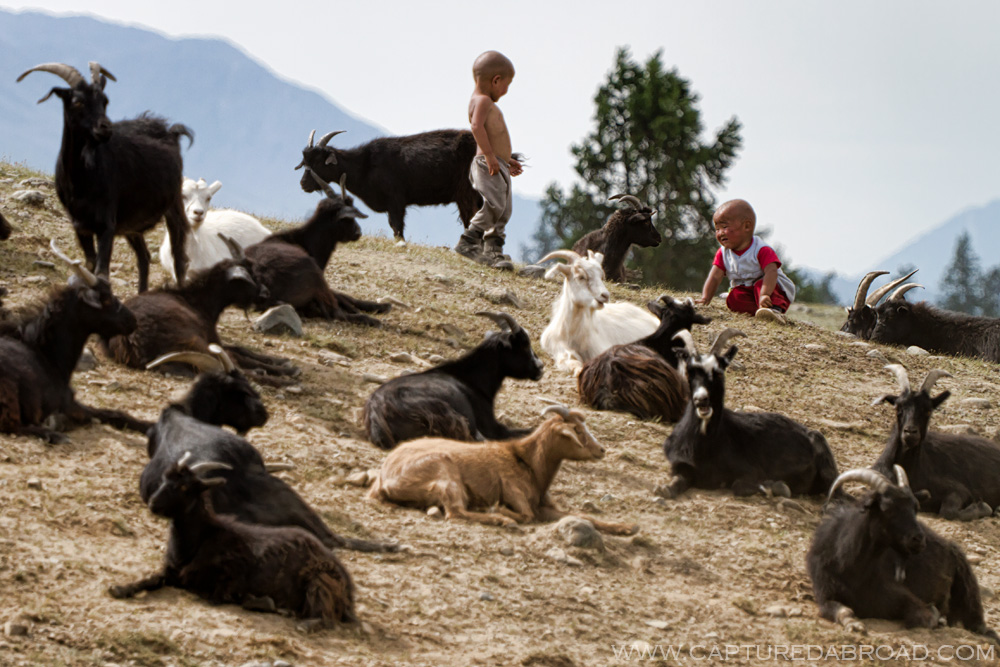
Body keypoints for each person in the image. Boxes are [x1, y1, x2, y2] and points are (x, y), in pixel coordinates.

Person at [454, 50, 523, 270]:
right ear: (496, 80)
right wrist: (491, 156)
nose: (506, 90)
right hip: (487, 163)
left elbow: (493, 135)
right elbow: (476, 127)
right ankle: (468, 242)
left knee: (503, 208)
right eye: (507, 85)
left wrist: (505, 159)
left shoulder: (484, 101)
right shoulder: (482, 101)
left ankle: (493, 250)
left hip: (497, 163)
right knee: (493, 205)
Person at [697, 199, 795, 324]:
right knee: (734, 297)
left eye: (725, 227)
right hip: (749, 291)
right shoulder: (723, 253)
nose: (720, 233)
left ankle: (774, 310)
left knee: (761, 284)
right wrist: (705, 298)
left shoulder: (761, 250)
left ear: (747, 226)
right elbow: (715, 277)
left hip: (772, 289)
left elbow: (771, 272)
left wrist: (765, 294)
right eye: (717, 229)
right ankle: (760, 312)